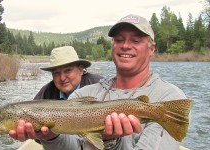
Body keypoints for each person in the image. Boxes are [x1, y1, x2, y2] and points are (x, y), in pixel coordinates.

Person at [11, 14, 189, 150]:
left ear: (151, 49)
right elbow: (72, 146)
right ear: (112, 47)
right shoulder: (84, 94)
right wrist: (50, 137)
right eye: (119, 40)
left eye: (135, 40)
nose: (125, 45)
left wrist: (113, 141)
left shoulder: (166, 99)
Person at [9, 46, 103, 143]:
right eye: (57, 73)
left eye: (68, 71)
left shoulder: (100, 85)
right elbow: (39, 137)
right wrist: (38, 136)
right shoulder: (45, 94)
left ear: (80, 70)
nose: (62, 78)